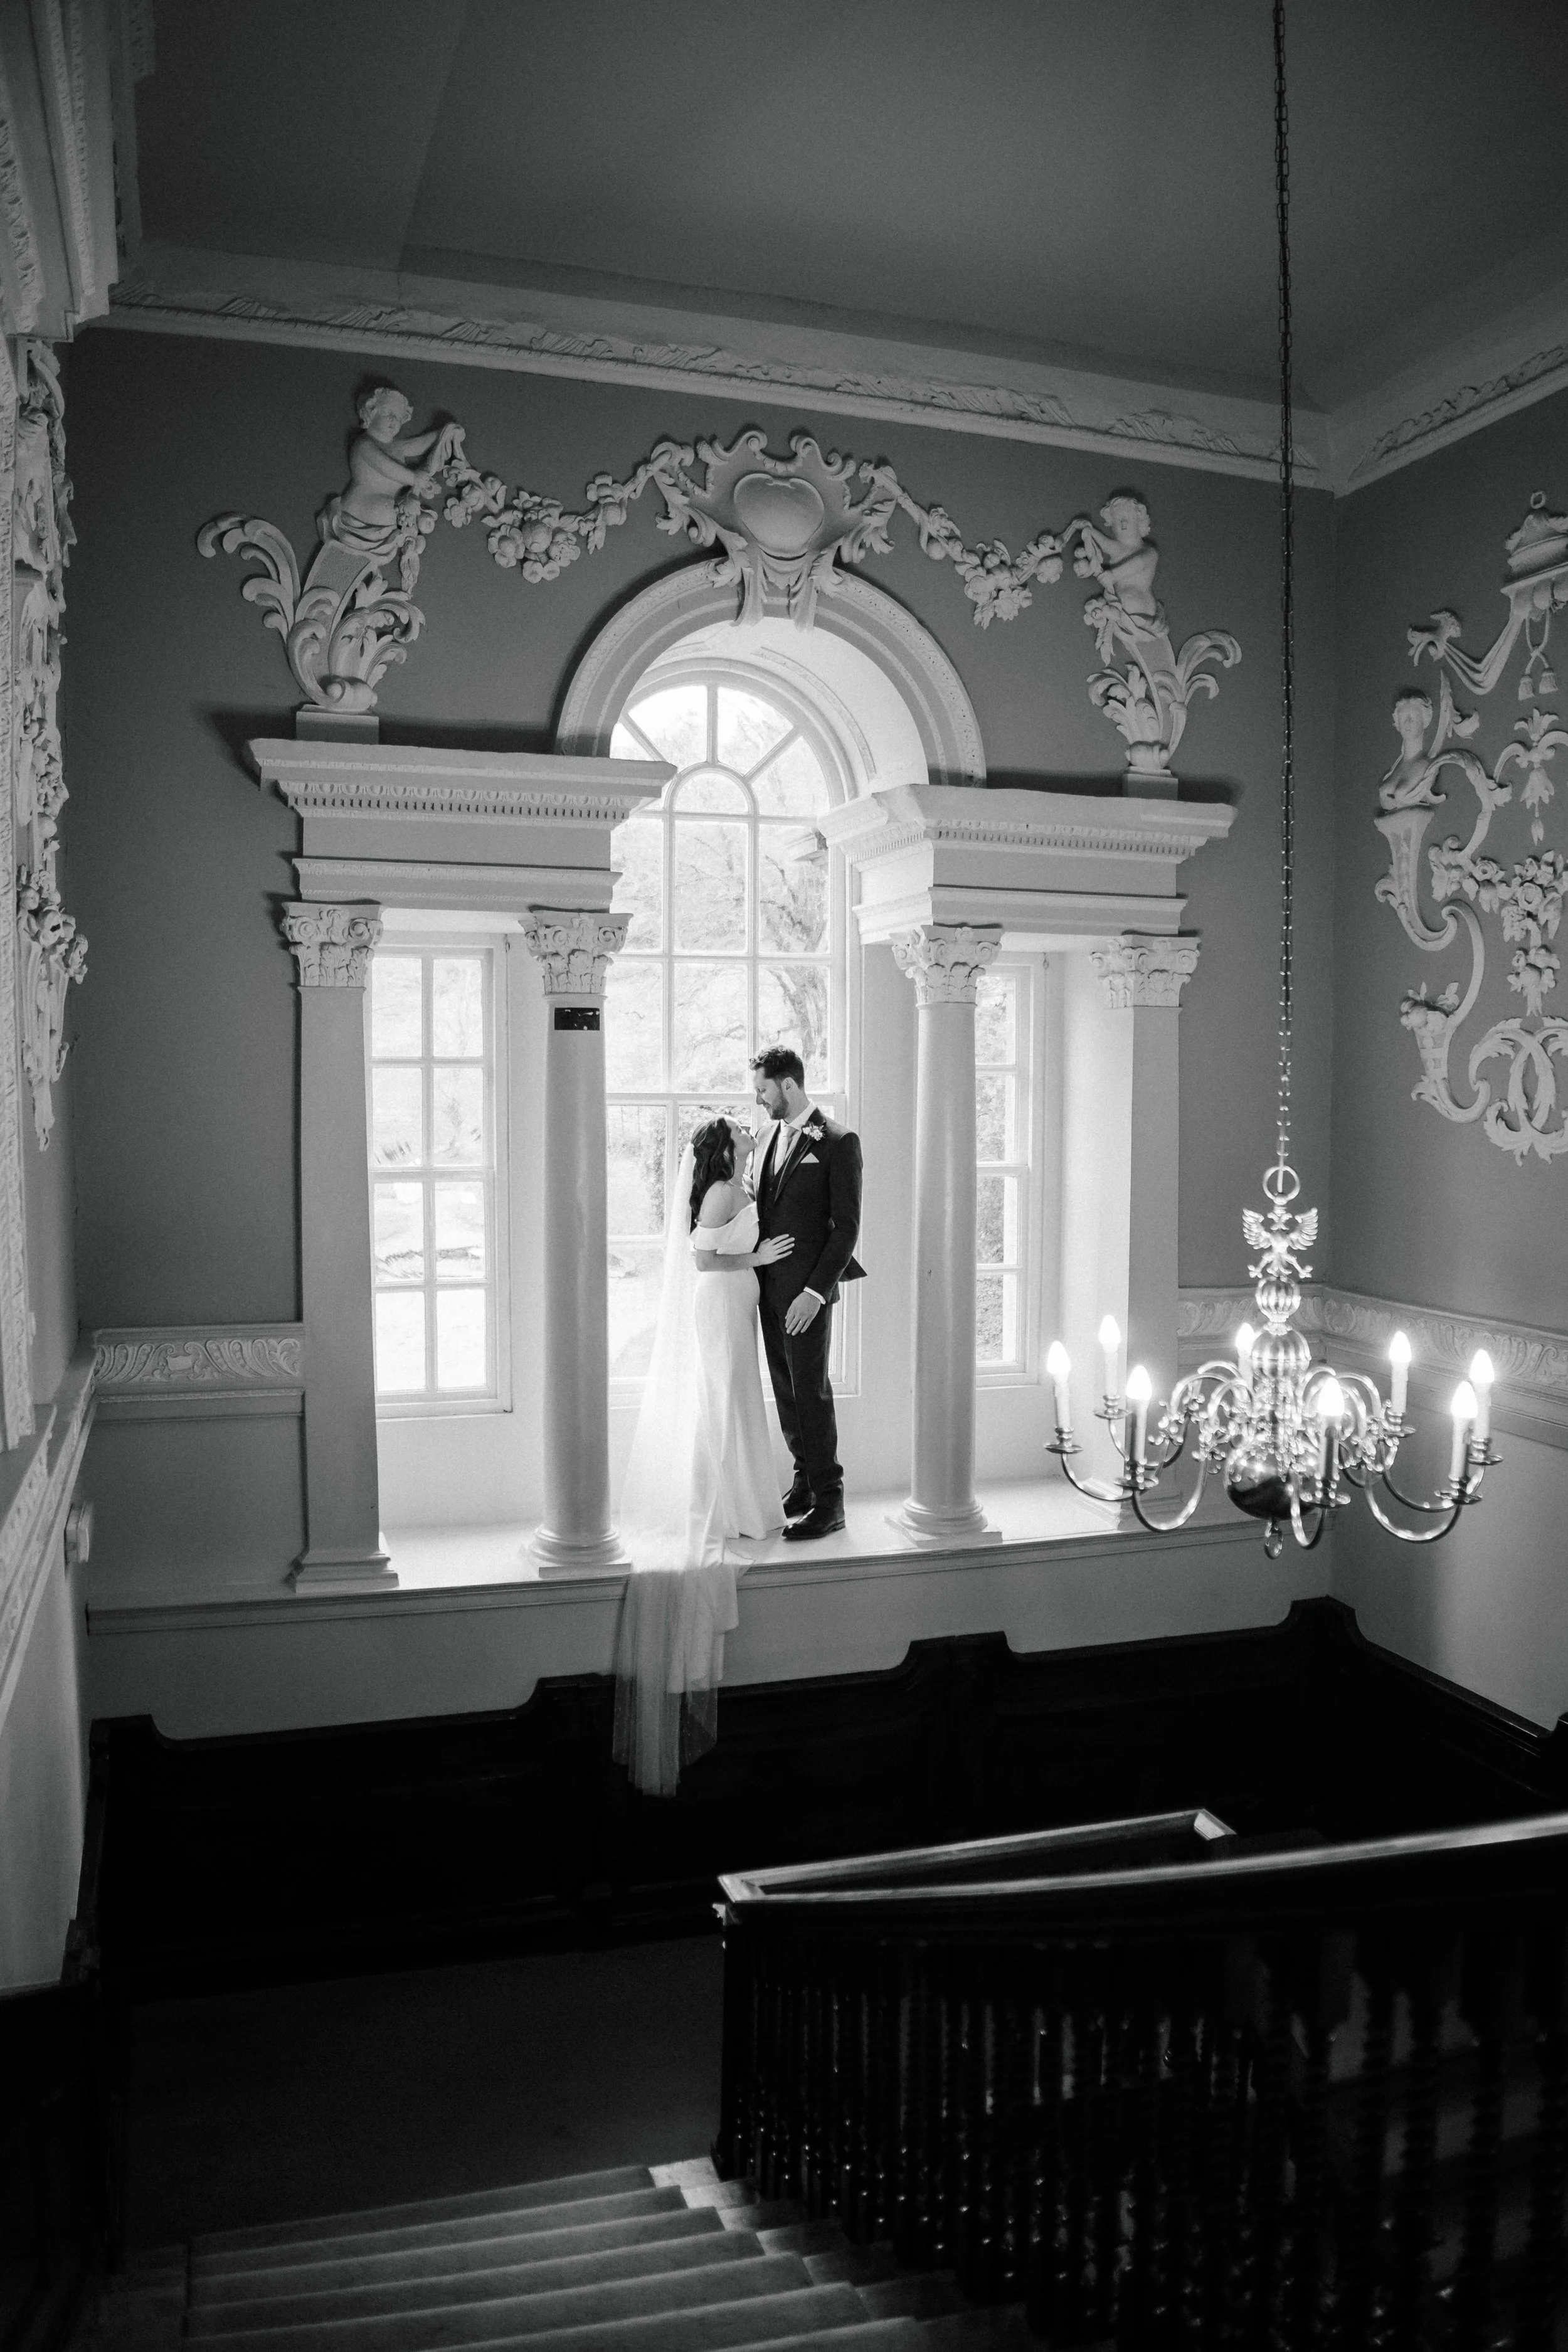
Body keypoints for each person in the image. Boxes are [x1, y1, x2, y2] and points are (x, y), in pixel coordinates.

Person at [612, 1116, 793, 1794]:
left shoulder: (739, 1181)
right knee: (723, 1402)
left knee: (740, 1401)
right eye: (743, 1130)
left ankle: (747, 1503)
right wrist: (758, 1261)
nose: (752, 1132)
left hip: (735, 1306)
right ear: (726, 1147)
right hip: (719, 1304)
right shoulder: (720, 1188)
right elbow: (701, 1257)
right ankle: (723, 1505)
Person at [750, 1046, 865, 1540]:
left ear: (789, 1086)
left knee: (811, 1392)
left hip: (806, 1298)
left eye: (763, 1089)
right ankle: (803, 1483)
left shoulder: (839, 1142)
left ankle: (831, 1500)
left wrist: (814, 1294)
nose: (759, 1099)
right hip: (768, 1292)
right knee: (785, 1391)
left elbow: (846, 1229)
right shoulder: (769, 1136)